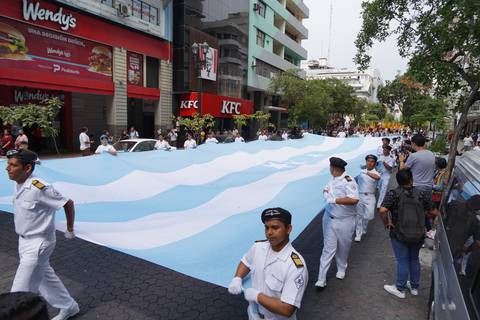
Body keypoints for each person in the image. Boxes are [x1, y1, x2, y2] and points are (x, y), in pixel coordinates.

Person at [6, 149, 80, 320]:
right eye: (8, 164)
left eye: (13, 165)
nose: (8, 168)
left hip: (38, 244)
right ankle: (69, 306)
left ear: (27, 168)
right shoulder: (17, 182)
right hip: (23, 241)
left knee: (19, 294)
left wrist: (70, 229)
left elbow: (67, 203)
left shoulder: (39, 187)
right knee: (45, 279)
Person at [227, 207, 308, 320]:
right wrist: (237, 278)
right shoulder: (258, 248)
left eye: (275, 227)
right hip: (254, 314)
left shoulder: (295, 266)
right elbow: (246, 261)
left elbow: (287, 309)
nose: (269, 232)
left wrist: (257, 296)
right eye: (266, 227)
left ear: (288, 229)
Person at [379, 169, 438, 299]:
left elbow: (382, 210)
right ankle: (414, 287)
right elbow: (434, 212)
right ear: (411, 179)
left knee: (402, 260)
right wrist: (424, 215)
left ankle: (400, 288)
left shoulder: (393, 194)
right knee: (414, 259)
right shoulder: (422, 194)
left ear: (398, 180)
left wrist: (387, 223)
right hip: (418, 233)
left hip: (399, 233)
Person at [315, 157, 359, 289]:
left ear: (334, 169)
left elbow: (354, 199)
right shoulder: (333, 179)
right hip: (329, 218)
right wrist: (326, 194)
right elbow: (326, 188)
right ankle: (321, 278)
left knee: (343, 248)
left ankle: (342, 267)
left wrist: (335, 200)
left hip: (345, 221)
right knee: (328, 249)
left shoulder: (348, 181)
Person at [354, 155, 380, 242]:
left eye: (372, 161)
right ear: (366, 162)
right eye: (368, 161)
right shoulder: (360, 172)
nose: (369, 163)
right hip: (360, 196)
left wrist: (366, 172)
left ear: (375, 163)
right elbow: (354, 180)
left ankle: (364, 226)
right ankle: (358, 234)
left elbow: (377, 178)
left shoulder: (376, 173)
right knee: (359, 216)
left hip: (370, 196)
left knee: (370, 215)